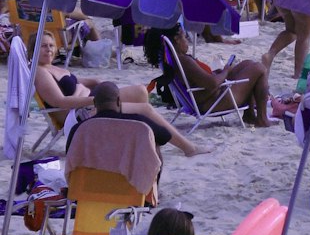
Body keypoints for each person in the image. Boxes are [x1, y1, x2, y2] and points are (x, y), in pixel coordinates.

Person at [30, 32, 202, 156]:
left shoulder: (53, 68)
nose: (49, 49)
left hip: (91, 101)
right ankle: (187, 147)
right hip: (80, 113)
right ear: (35, 48)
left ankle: (145, 142)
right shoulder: (40, 72)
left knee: (141, 92)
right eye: (44, 46)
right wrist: (96, 99)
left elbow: (79, 81)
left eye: (51, 45)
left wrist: (98, 83)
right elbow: (60, 101)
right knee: (145, 110)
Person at [144, 26, 273, 127]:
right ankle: (262, 119)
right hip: (215, 102)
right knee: (259, 68)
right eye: (184, 37)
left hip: (209, 97)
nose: (187, 41)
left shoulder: (172, 60)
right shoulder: (184, 61)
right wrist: (226, 72)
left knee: (247, 64)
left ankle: (249, 115)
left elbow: (201, 79)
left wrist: (219, 72)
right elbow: (212, 84)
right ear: (176, 40)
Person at [261, 10, 310, 83]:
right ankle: (298, 73)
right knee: (304, 36)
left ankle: (270, 55)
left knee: (291, 30)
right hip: (304, 0)